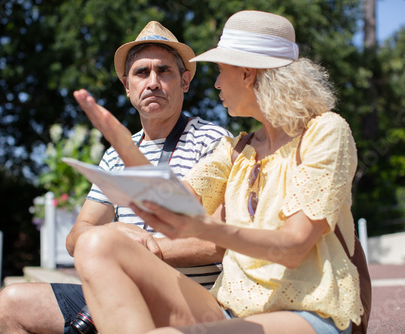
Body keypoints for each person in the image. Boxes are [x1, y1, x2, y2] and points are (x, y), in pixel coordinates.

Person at [70, 10, 364, 334]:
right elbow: (172, 202)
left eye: (221, 70)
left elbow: (292, 248)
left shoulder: (324, 132)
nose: (216, 82)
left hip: (306, 311)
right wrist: (127, 148)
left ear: (248, 74)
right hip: (228, 311)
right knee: (95, 244)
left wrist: (206, 228)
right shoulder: (238, 148)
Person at [0, 21, 231, 334]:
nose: (153, 82)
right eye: (141, 73)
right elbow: (76, 234)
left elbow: (220, 243)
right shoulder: (115, 154)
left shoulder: (213, 140)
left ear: (185, 81)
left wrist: (134, 250)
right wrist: (115, 233)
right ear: (126, 85)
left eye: (165, 71)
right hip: (121, 291)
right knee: (10, 304)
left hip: (190, 299)